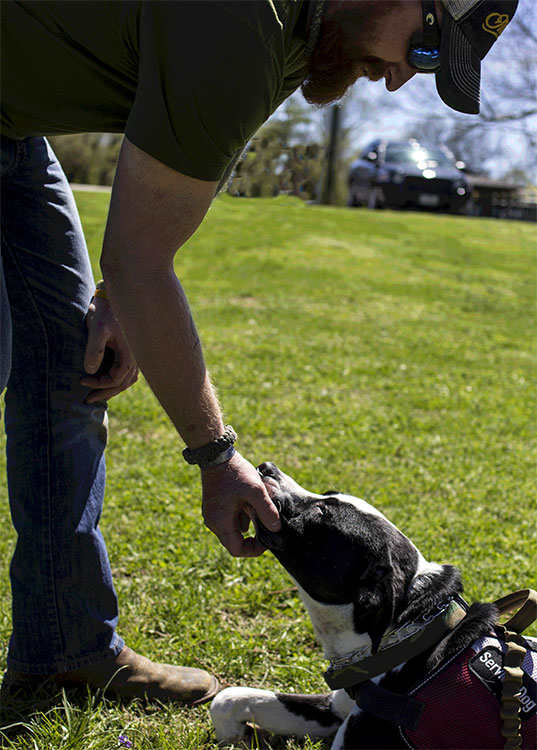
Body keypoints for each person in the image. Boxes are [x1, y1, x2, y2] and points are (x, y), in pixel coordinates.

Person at [0, 0, 518, 704]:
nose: (399, 81)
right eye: (425, 49)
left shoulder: (305, 41)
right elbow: (144, 259)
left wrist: (116, 292)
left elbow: (156, 204)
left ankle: (64, 649)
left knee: (73, 369)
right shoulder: (249, 26)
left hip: (13, 134)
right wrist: (216, 457)